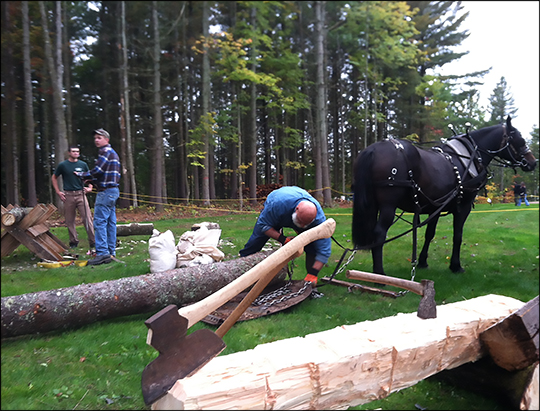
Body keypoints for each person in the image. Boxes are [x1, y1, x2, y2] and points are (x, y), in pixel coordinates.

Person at [239, 186, 331, 285]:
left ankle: (310, 282)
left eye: (306, 224)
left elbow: (324, 251)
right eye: (300, 222)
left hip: (293, 207)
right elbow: (263, 226)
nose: (303, 226)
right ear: (297, 209)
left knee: (312, 247)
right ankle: (239, 270)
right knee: (256, 242)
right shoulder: (277, 205)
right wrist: (283, 239)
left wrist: (314, 273)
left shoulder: (318, 219)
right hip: (279, 206)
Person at [75, 128, 121, 265]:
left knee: (100, 222)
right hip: (113, 191)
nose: (96, 140)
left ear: (107, 140)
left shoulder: (105, 152)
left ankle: (102, 253)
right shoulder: (113, 153)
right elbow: (104, 174)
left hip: (106, 192)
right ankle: (111, 252)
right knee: (110, 223)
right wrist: (91, 181)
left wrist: (81, 175)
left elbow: (98, 171)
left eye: (99, 138)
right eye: (95, 138)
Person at [51, 145, 95, 250]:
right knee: (69, 220)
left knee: (87, 218)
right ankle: (73, 241)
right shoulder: (63, 165)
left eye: (77, 151)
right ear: (69, 153)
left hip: (81, 194)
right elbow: (54, 177)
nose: (76, 153)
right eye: (74, 151)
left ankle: (93, 241)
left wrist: (90, 187)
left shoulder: (83, 164)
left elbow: (88, 177)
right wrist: (58, 192)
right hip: (68, 195)